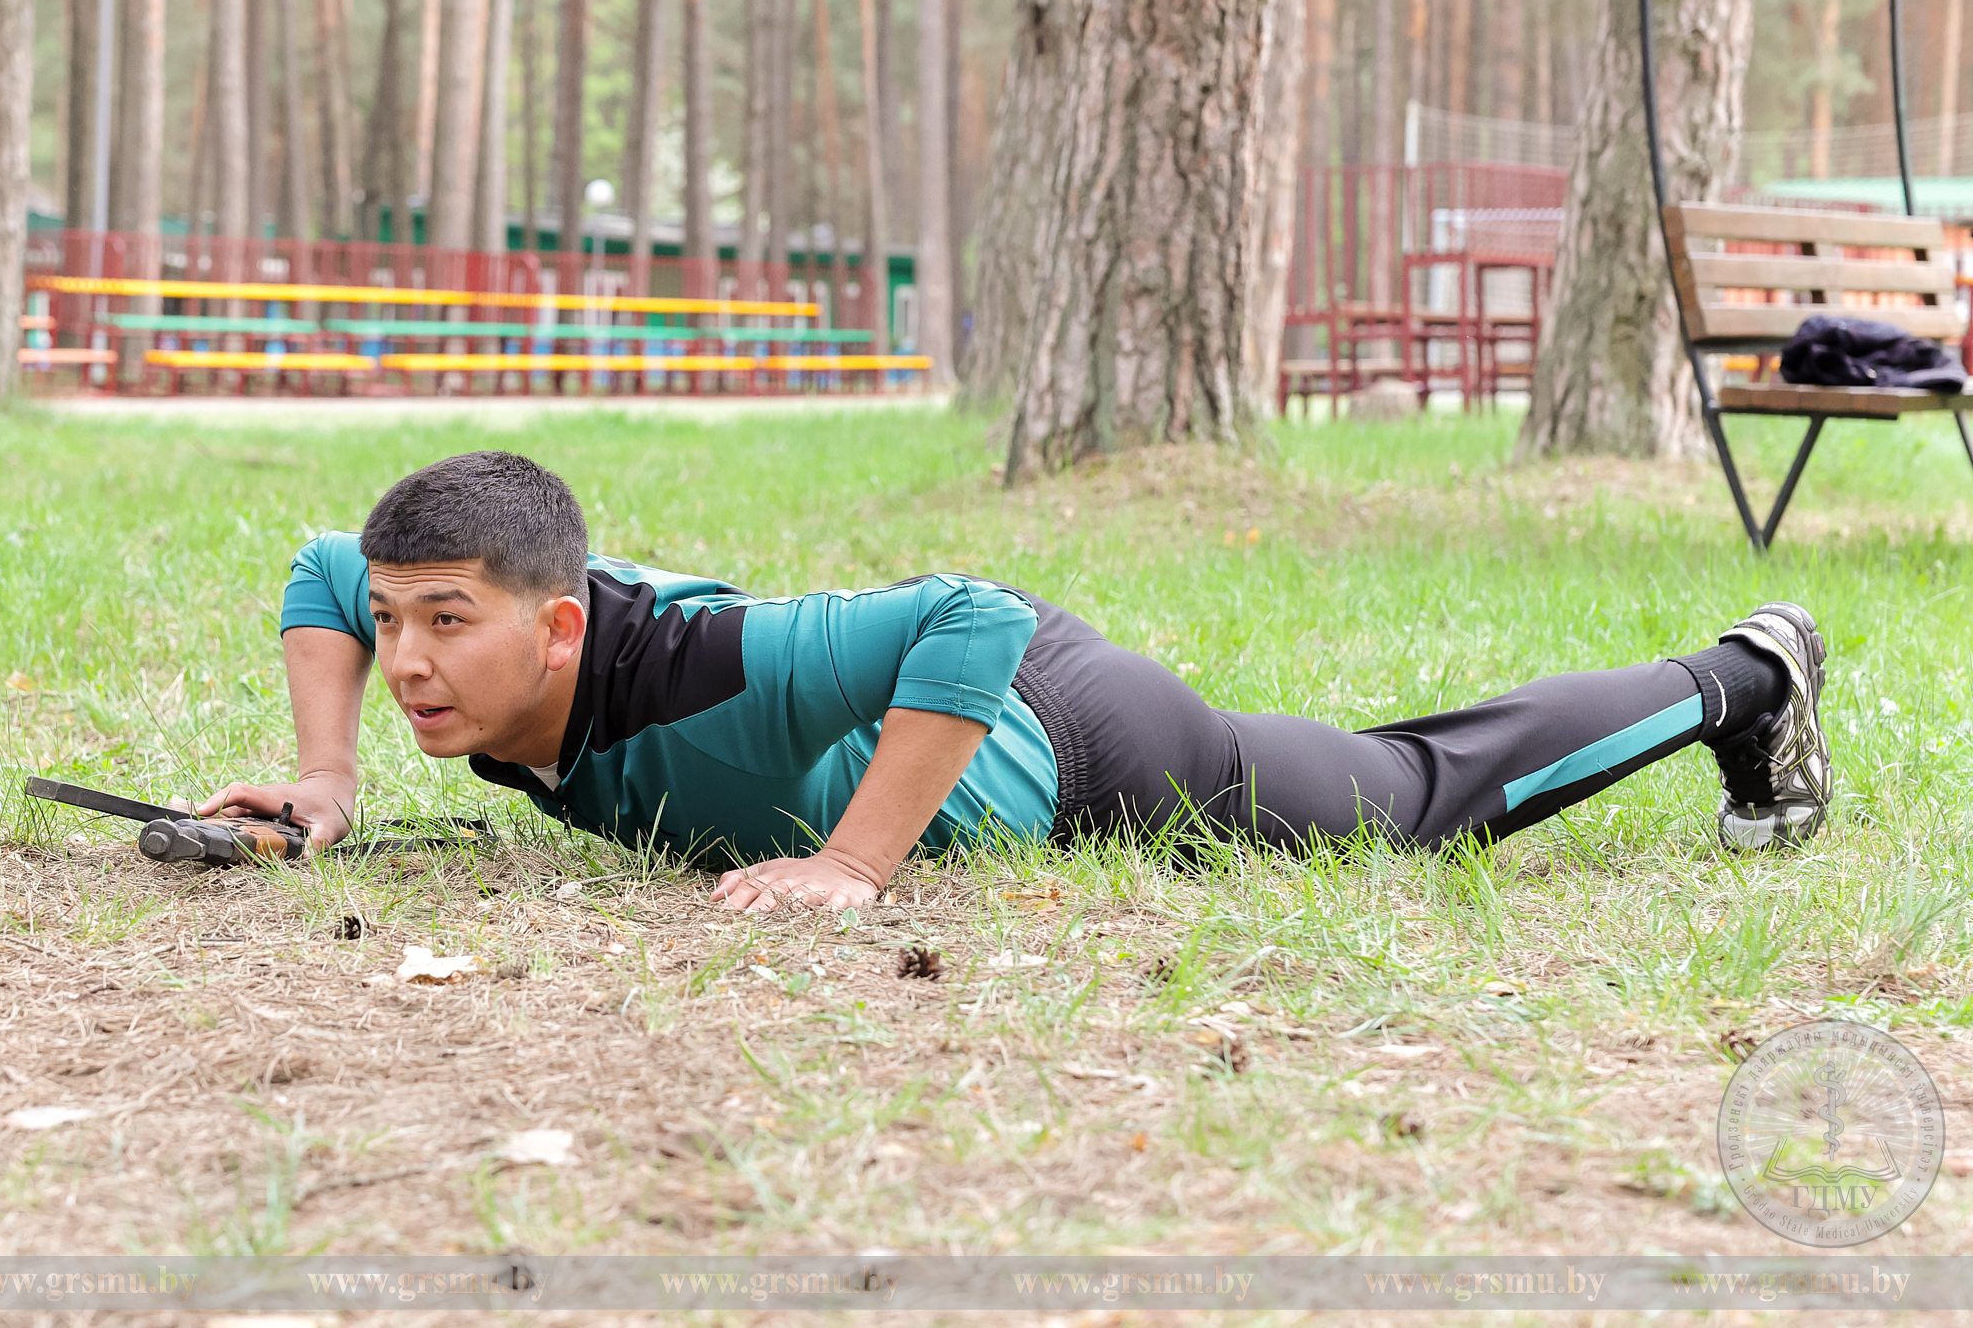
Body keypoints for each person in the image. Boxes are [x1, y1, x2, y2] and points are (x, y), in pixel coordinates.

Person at [202, 452, 1834, 911]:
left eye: (448, 622)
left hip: (1074, 740)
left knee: (1411, 800)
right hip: (956, 688)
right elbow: (323, 565)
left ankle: (1743, 677)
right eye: (400, 621)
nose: (409, 658)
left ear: (559, 629)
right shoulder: (429, 624)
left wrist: (855, 866)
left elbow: (969, 619)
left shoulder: (706, 667)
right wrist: (326, 778)